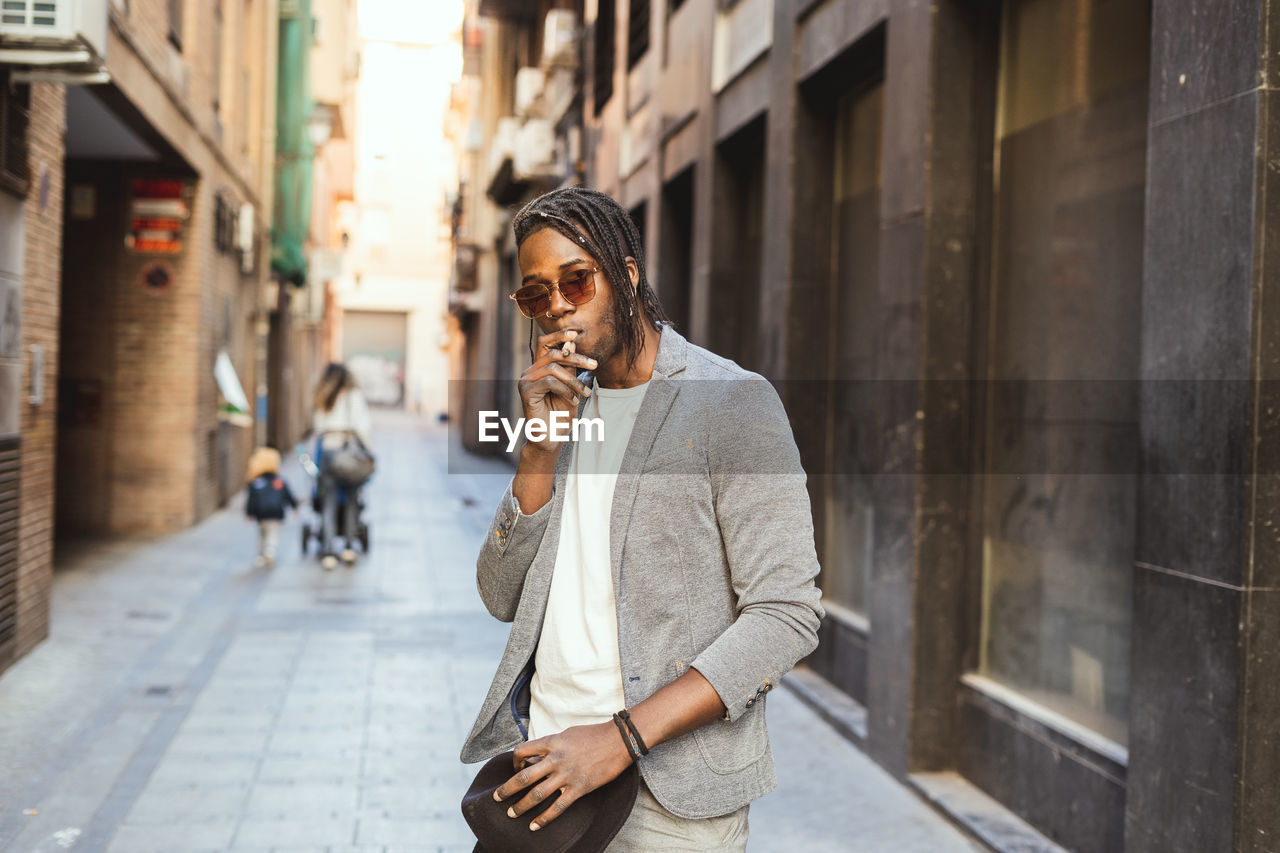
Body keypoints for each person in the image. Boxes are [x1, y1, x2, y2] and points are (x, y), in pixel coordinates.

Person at [460, 187, 824, 850]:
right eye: (537, 294)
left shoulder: (731, 403)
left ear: (627, 276)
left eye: (576, 280)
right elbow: (499, 594)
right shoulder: (561, 406)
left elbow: (785, 613)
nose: (559, 308)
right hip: (542, 777)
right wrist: (536, 452)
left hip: (669, 806)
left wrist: (619, 736)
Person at [312, 362, 373, 570]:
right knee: (351, 500)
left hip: (327, 450)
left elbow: (317, 427)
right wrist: (369, 450)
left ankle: (328, 551)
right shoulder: (353, 396)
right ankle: (348, 547)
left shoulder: (323, 396)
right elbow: (362, 426)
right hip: (348, 451)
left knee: (328, 501)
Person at [244, 446, 297, 568]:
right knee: (273, 534)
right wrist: (294, 507)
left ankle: (261, 555)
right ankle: (270, 551)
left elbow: (251, 500)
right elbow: (288, 495)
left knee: (262, 534)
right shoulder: (279, 481)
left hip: (261, 514)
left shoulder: (256, 482)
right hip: (276, 513)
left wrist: (249, 513)